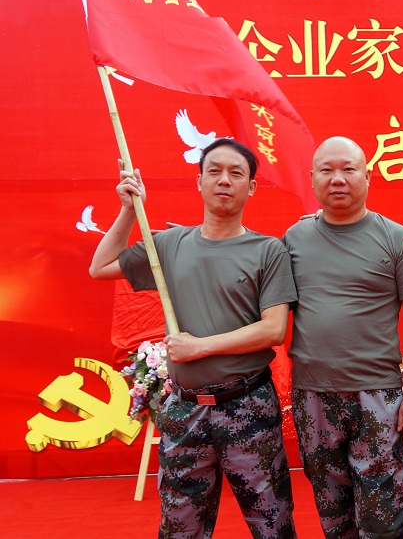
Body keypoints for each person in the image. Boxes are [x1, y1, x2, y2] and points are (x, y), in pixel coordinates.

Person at [89, 139, 297, 538]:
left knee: (272, 523)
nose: (224, 181)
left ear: (251, 186)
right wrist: (128, 210)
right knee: (180, 526)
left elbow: (274, 329)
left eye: (236, 173)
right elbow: (100, 267)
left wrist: (200, 346)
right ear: (199, 182)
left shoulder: (267, 251)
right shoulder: (169, 245)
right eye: (214, 172)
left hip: (247, 405)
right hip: (185, 410)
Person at [283, 136, 403, 538]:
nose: (338, 179)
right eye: (327, 170)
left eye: (348, 169)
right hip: (313, 395)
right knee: (332, 512)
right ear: (312, 178)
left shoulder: (397, 238)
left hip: (377, 396)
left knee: (383, 514)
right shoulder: (294, 239)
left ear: (367, 177)